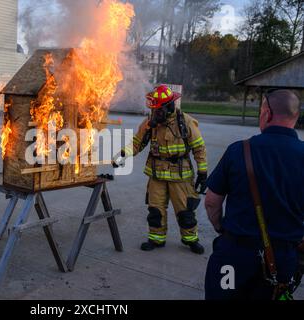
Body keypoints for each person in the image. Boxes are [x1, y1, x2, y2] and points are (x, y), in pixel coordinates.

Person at [205, 89, 304, 300]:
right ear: (295, 116)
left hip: (233, 258)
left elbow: (212, 202)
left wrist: (220, 227)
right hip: (282, 261)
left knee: (224, 295)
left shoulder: (239, 150)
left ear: (267, 113)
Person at [113, 85, 208, 254]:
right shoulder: (151, 123)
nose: (155, 114)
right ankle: (156, 239)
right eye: (154, 110)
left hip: (181, 176)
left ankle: (191, 239)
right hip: (156, 174)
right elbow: (137, 143)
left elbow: (199, 148)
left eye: (158, 110)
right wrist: (123, 154)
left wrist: (202, 172)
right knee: (155, 209)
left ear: (169, 106)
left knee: (185, 210)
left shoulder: (186, 122)